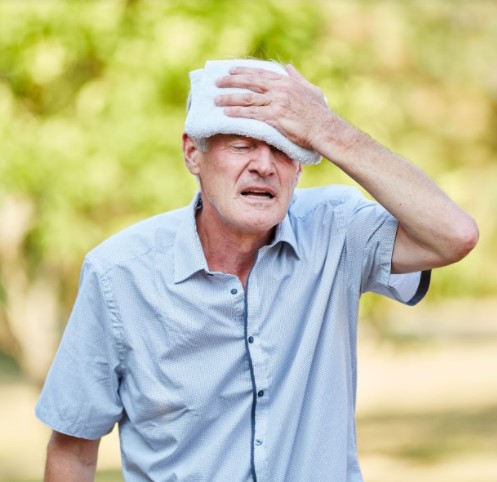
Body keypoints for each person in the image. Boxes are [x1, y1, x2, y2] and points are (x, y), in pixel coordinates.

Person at [36, 59, 478, 482]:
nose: (265, 165)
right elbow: (73, 450)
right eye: (241, 145)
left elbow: (454, 235)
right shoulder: (119, 275)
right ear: (193, 153)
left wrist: (326, 128)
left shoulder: (337, 232)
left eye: (286, 149)